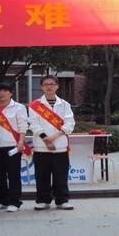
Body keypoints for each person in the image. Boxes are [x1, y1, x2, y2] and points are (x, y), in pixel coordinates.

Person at [28, 75, 75, 211]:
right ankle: (43, 200)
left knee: (61, 175)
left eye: (52, 84)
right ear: (42, 87)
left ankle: (62, 200)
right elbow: (33, 124)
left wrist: (54, 136)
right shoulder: (35, 105)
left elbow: (69, 123)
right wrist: (46, 139)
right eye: (46, 84)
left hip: (60, 146)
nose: (49, 87)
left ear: (57, 86)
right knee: (42, 176)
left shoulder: (64, 105)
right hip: (41, 147)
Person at [0, 83, 29, 213]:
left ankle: (14, 201)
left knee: (13, 175)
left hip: (12, 146)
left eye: (5, 91)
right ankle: (1, 200)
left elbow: (23, 126)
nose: (2, 93)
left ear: (11, 93)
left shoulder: (18, 107)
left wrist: (21, 142)